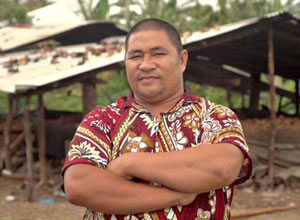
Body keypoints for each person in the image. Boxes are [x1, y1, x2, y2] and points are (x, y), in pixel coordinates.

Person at [61, 18, 252, 220]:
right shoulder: (102, 120)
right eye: (136, 56)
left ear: (182, 60)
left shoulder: (214, 116)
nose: (145, 65)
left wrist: (129, 163)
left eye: (158, 54)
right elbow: (79, 186)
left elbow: (222, 168)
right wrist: (175, 197)